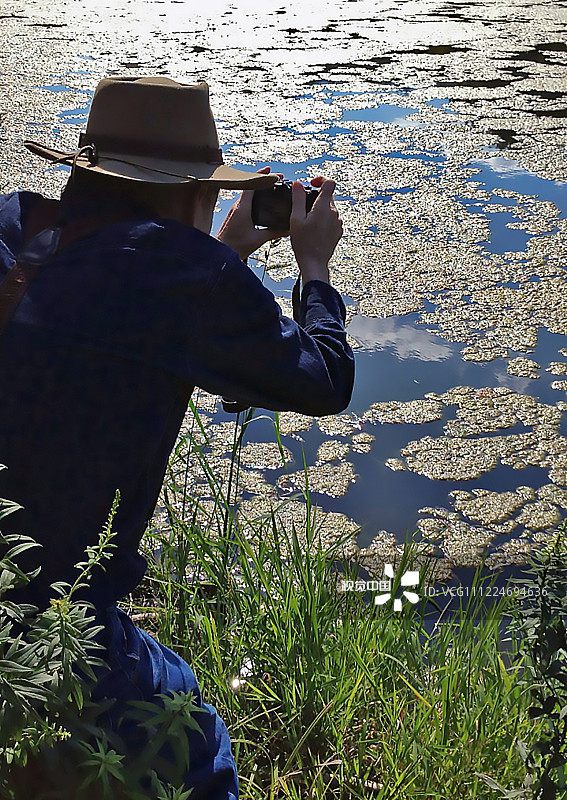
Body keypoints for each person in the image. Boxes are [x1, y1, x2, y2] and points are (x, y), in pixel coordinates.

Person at [0, 76, 354, 797]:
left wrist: (225, 253)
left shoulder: (14, 226)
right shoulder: (182, 276)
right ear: (195, 189)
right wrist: (312, 267)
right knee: (192, 745)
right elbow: (322, 381)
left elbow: (102, 309)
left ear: (83, 169)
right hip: (50, 610)